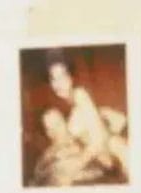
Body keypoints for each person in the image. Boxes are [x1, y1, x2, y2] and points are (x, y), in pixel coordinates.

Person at [43, 49, 129, 183]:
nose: (59, 83)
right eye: (54, 79)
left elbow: (100, 139)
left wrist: (78, 163)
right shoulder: (67, 112)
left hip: (122, 152)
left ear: (71, 77)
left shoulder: (80, 95)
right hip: (112, 161)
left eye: (63, 76)